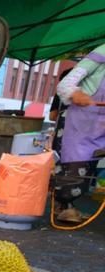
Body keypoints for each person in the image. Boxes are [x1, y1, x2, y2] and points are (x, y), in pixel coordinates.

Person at [54, 44, 105, 223]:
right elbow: (64, 85)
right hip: (81, 123)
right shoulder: (99, 55)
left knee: (90, 170)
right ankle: (64, 207)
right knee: (75, 168)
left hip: (101, 126)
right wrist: (75, 93)